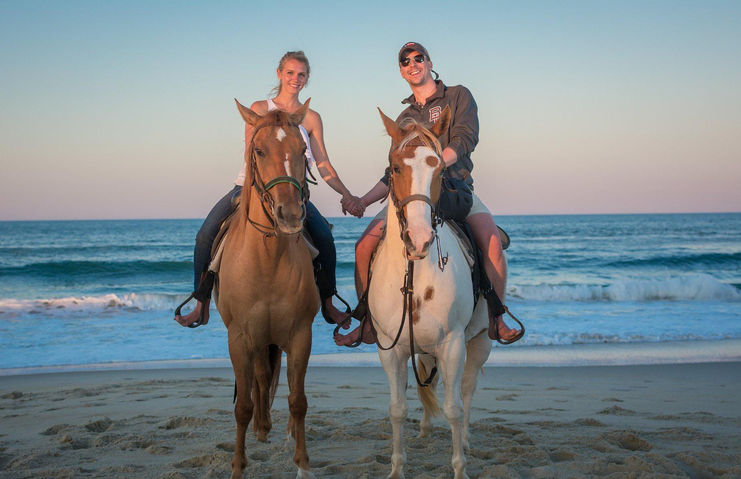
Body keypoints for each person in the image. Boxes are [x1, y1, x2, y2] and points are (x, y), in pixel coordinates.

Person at [334, 42, 522, 347]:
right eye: (405, 61)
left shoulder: (458, 95)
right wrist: (363, 201)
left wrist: (432, 165)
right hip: (411, 197)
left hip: (454, 188)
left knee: (491, 243)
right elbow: (394, 170)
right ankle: (368, 321)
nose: (413, 63)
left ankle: (497, 318)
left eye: (418, 58)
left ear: (429, 62)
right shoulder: (405, 116)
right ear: (401, 71)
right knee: (362, 248)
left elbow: (465, 138)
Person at [175, 50, 364, 328]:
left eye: (301, 74)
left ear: (307, 78)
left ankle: (328, 303)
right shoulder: (259, 109)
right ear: (279, 74)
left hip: (292, 192)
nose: (295, 79)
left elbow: (322, 163)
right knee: (205, 235)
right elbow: (250, 157)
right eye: (290, 73)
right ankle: (200, 303)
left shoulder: (310, 118)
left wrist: (347, 195)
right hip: (249, 187)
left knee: (324, 236)